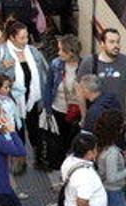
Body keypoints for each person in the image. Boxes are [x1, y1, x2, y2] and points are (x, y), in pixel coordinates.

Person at [0, 20, 49, 167]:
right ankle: (19, 160)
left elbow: (44, 72)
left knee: (35, 129)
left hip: (32, 100)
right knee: (16, 132)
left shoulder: (33, 51)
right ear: (12, 38)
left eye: (27, 37)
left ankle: (39, 158)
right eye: (22, 38)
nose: (26, 41)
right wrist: (1, 67)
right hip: (11, 102)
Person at [76, 28, 126, 131]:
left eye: (118, 42)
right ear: (102, 44)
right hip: (97, 121)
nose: (116, 45)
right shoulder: (89, 62)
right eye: (111, 42)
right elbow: (80, 90)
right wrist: (84, 116)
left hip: (118, 121)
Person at [42, 34, 82, 170]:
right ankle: (58, 165)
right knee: (57, 140)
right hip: (57, 110)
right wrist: (47, 109)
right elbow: (48, 87)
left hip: (76, 113)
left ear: (71, 52)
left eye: (61, 50)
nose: (58, 53)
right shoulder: (56, 65)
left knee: (72, 141)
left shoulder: (84, 67)